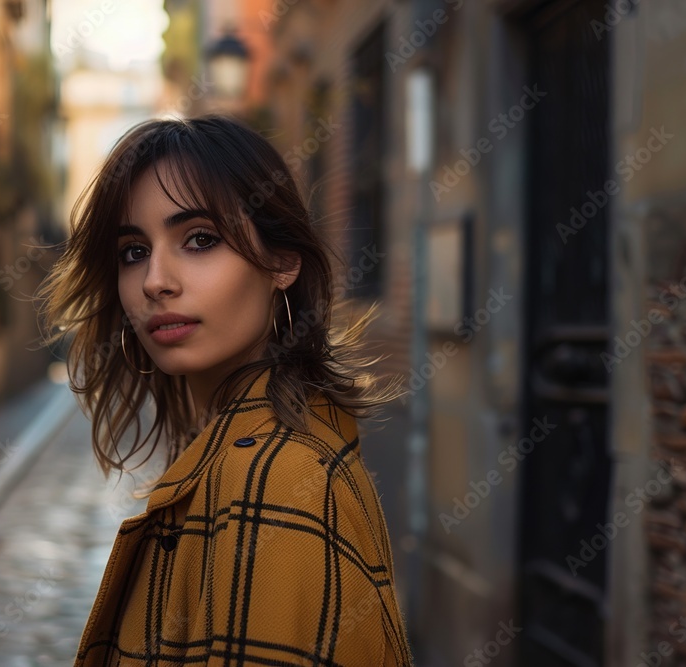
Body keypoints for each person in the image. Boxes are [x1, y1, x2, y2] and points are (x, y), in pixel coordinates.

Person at [36, 114, 414, 667]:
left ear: (282, 261)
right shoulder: (241, 451)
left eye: (200, 239)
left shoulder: (276, 480)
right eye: (134, 251)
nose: (155, 280)